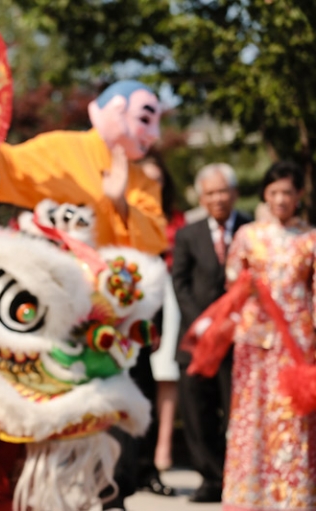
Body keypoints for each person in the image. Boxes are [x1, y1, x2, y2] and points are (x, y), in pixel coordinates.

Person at [0, 79, 167, 255]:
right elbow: (5, 169)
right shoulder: (61, 149)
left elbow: (155, 243)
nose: (155, 134)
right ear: (117, 110)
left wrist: (120, 203)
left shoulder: (144, 182)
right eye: (145, 119)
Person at [219, 161, 316, 510]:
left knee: (292, 416)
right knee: (252, 414)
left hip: (297, 342)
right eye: (273, 192)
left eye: (287, 192)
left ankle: (291, 494)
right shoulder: (249, 236)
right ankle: (249, 495)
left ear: (299, 195)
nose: (280, 199)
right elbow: (232, 282)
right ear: (264, 194)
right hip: (255, 339)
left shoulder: (310, 239)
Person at [172, 163, 252, 502]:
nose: (217, 198)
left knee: (236, 410)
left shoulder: (252, 229)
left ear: (234, 193)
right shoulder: (188, 235)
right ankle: (209, 477)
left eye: (223, 191)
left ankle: (239, 477)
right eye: (210, 193)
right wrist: (205, 324)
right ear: (201, 198)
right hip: (198, 339)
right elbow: (180, 282)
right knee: (197, 409)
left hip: (242, 338)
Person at [142, 152, 184, 473]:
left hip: (168, 299)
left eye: (157, 180)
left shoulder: (176, 219)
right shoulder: (118, 214)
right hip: (132, 297)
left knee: (166, 372)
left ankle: (163, 449)